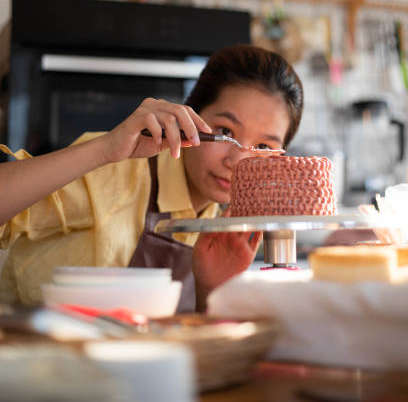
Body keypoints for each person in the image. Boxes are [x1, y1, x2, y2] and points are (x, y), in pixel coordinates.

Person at [0, 44, 304, 311]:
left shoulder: (222, 220)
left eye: (263, 147)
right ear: (191, 116)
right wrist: (104, 149)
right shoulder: (115, 171)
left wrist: (211, 290)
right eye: (225, 132)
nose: (236, 162)